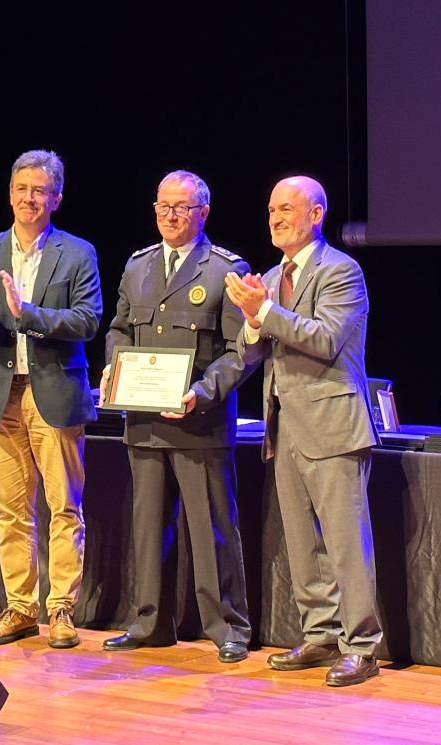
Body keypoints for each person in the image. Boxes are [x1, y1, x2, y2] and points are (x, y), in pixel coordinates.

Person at [223, 175, 382, 686]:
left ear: (316, 214)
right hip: (285, 424)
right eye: (271, 209)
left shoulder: (342, 270)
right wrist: (252, 322)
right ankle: (319, 634)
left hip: (333, 424)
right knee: (301, 541)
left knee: (344, 542)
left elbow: (325, 338)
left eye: (287, 208)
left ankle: (361, 646)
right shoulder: (269, 276)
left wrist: (263, 311)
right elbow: (253, 352)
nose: (275, 217)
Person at [100, 170, 253, 663]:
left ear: (203, 213)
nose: (169, 215)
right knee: (147, 528)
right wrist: (113, 368)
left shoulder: (224, 269)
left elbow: (241, 351)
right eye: (163, 205)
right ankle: (149, 623)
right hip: (144, 422)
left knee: (211, 530)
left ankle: (227, 627)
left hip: (198, 422)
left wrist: (202, 393)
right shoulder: (138, 266)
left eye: (181, 207)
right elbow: (119, 328)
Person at [0, 149, 102, 649]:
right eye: (21, 189)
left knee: (64, 507)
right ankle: (20, 608)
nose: (29, 198)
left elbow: (87, 320)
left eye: (39, 190)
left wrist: (29, 312)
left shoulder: (77, 253)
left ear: (56, 198)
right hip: (2, 394)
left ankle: (60, 610)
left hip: (54, 393)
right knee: (10, 509)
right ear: (9, 193)